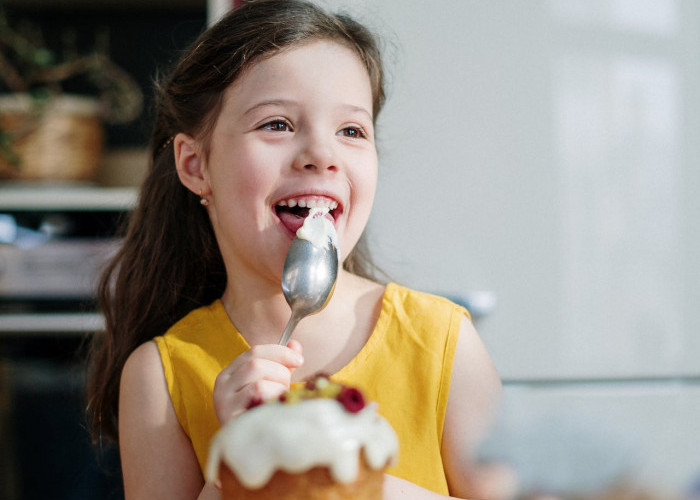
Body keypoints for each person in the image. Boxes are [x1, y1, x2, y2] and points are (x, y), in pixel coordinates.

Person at [86, 1, 506, 498]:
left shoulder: (443, 343)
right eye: (277, 125)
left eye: (351, 131)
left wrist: (355, 481)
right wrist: (238, 462)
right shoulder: (160, 376)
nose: (322, 156)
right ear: (196, 165)